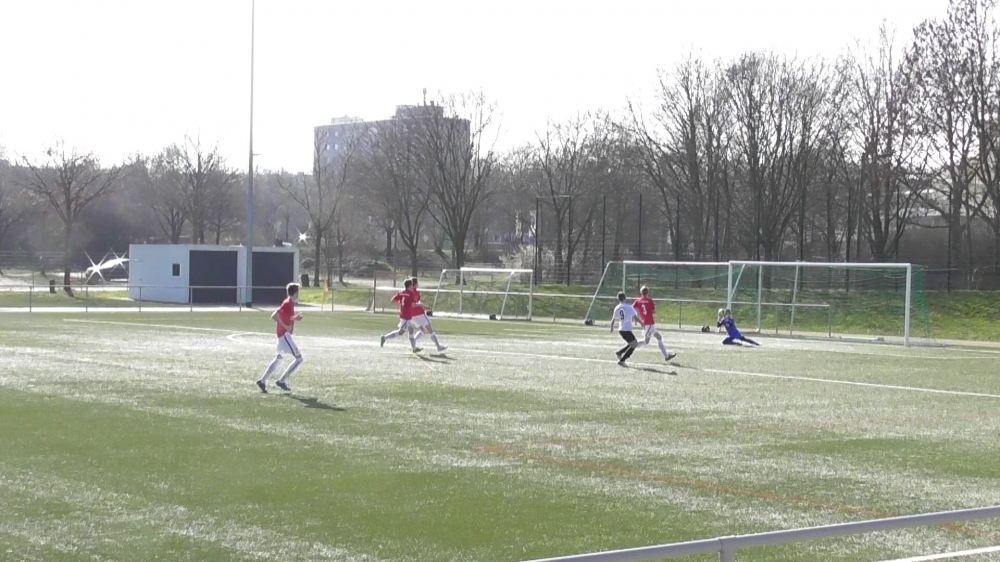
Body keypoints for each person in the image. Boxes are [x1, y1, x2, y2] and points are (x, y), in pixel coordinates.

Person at [257, 283, 304, 393]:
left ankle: (262, 381)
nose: (299, 294)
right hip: (284, 336)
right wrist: (286, 327)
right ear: (295, 293)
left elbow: (287, 317)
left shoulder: (289, 304)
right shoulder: (287, 303)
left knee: (279, 359)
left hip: (282, 336)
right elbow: (274, 315)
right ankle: (281, 381)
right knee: (299, 359)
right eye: (298, 291)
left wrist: (295, 318)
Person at [633, 286, 677, 362]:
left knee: (659, 337)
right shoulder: (650, 300)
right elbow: (654, 311)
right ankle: (631, 346)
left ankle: (666, 356)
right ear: (647, 292)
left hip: (649, 324)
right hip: (649, 323)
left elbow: (632, 308)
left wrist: (636, 316)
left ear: (641, 292)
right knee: (646, 341)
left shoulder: (638, 301)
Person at [380, 279, 422, 353]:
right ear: (410, 286)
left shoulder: (401, 292)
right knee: (401, 332)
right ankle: (385, 337)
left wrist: (402, 305)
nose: (412, 286)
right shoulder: (411, 294)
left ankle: (414, 348)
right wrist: (420, 305)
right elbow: (412, 304)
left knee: (410, 330)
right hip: (406, 316)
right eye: (412, 285)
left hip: (403, 314)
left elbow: (393, 300)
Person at [408, 278, 447, 353]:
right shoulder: (414, 292)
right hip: (419, 314)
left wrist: (423, 305)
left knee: (423, 330)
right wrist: (422, 306)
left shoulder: (410, 292)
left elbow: (417, 302)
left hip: (412, 315)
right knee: (430, 330)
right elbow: (414, 304)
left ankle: (413, 344)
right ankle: (438, 346)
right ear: (415, 284)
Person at [610, 292, 640, 366]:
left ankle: (619, 352)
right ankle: (622, 360)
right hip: (626, 330)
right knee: (634, 344)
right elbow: (635, 317)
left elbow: (613, 319)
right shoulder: (629, 307)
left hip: (621, 330)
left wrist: (611, 327)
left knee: (632, 343)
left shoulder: (617, 307)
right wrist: (642, 323)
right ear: (625, 297)